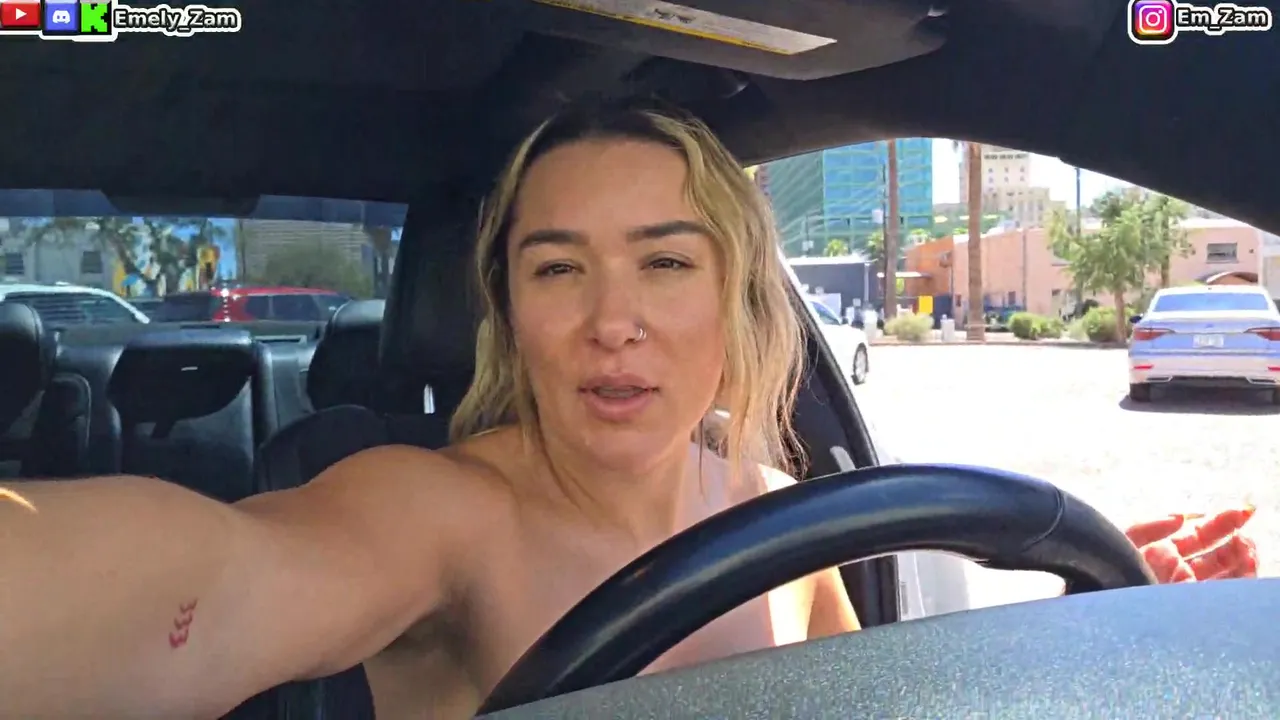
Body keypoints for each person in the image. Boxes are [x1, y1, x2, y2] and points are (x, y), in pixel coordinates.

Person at [0, 99, 1259, 719]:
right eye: (557, 269)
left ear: (735, 293)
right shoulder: (438, 512)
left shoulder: (791, 522)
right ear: (509, 309)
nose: (614, 319)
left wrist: (1104, 619)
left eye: (664, 262)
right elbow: (212, 585)